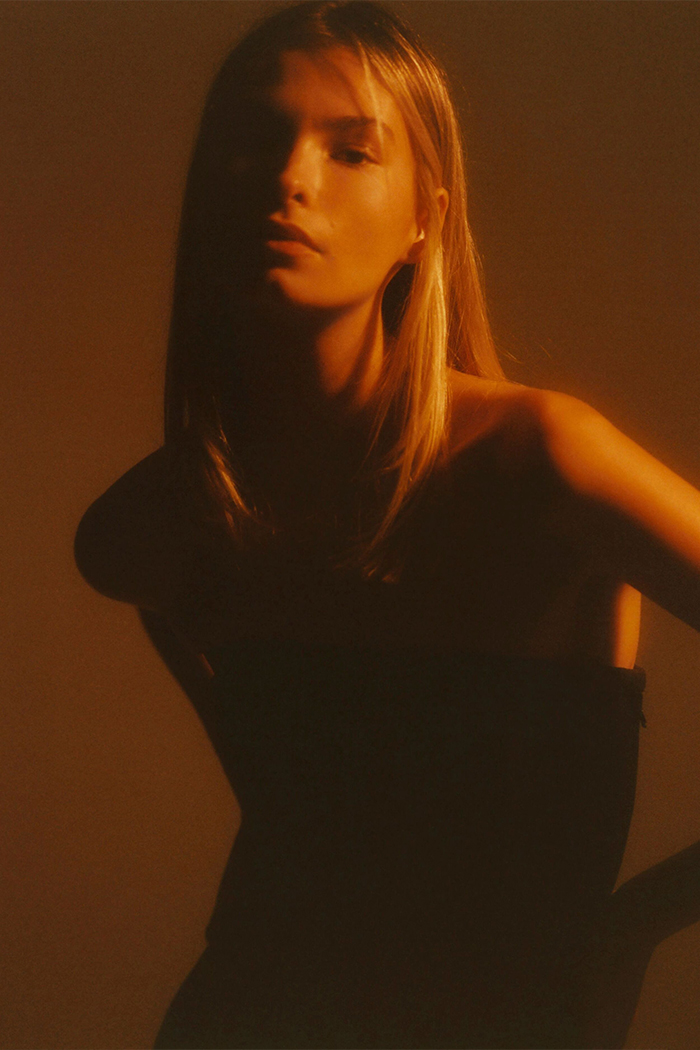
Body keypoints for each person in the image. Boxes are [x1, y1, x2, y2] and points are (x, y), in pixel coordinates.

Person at [74, 2, 700, 1047]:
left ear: (424, 219)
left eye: (351, 150)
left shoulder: (542, 459)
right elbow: (298, 830)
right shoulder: (152, 529)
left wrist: (632, 926)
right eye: (253, 141)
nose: (289, 178)